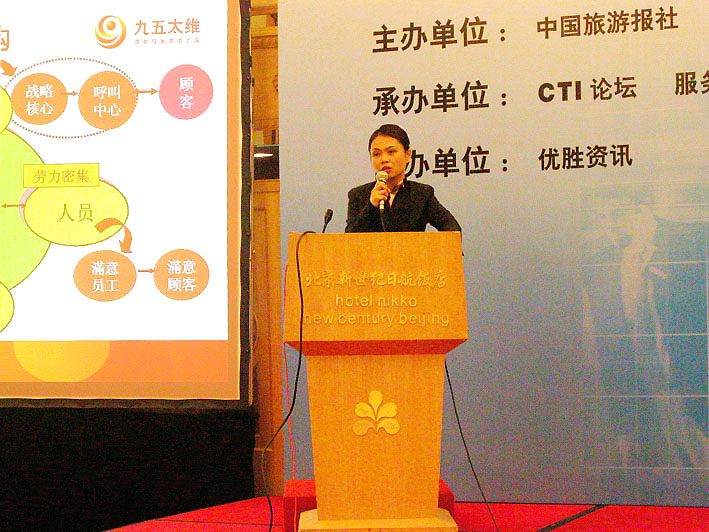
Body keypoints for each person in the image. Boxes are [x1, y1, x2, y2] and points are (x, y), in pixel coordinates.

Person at [345, 124, 461, 233]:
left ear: (408, 155)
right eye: (376, 154)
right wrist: (371, 206)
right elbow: (349, 240)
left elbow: (452, 229)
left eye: (391, 152)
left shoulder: (422, 194)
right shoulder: (358, 195)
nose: (384, 159)